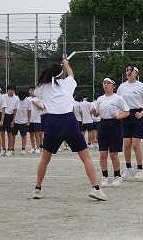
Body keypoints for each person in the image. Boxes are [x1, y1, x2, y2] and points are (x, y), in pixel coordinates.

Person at [32, 59, 107, 201]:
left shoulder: (43, 88)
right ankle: (95, 188)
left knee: (45, 159)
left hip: (52, 121)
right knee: (85, 157)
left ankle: (37, 188)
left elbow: (37, 88)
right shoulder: (68, 83)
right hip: (68, 120)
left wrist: (50, 72)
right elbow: (71, 74)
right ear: (61, 74)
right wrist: (66, 63)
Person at [91, 77, 129, 187]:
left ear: (114, 86)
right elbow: (97, 114)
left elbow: (126, 112)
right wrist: (94, 113)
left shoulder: (118, 98)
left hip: (115, 125)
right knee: (103, 153)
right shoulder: (100, 99)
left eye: (108, 83)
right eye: (104, 83)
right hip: (103, 125)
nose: (105, 85)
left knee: (113, 154)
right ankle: (105, 176)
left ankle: (117, 175)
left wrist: (118, 116)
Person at [116, 63, 143, 179]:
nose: (129, 72)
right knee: (126, 144)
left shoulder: (141, 86)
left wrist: (142, 114)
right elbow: (118, 102)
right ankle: (128, 167)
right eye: (127, 70)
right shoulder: (122, 87)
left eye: (131, 70)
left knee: (136, 145)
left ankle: (140, 168)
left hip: (137, 115)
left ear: (136, 73)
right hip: (126, 115)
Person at [11, 90, 32, 155]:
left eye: (22, 99)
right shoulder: (16, 99)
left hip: (24, 122)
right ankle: (12, 149)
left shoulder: (28, 101)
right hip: (15, 121)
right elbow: (13, 110)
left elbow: (29, 111)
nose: (21, 99)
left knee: (23, 136)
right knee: (13, 135)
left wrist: (28, 120)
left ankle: (23, 149)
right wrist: (13, 120)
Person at [0, 85, 18, 156]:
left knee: (10, 133)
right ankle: (3, 149)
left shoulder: (16, 99)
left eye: (12, 90)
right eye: (9, 90)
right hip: (3, 115)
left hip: (10, 116)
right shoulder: (3, 97)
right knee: (2, 133)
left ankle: (9, 149)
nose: (10, 91)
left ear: (14, 91)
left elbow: (15, 110)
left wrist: (13, 120)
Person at [27, 86, 43, 154]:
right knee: (31, 134)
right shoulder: (27, 99)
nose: (31, 92)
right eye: (30, 90)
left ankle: (38, 148)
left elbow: (42, 108)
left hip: (36, 119)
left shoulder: (38, 99)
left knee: (37, 134)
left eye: (32, 90)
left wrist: (36, 104)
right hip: (29, 119)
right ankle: (33, 147)